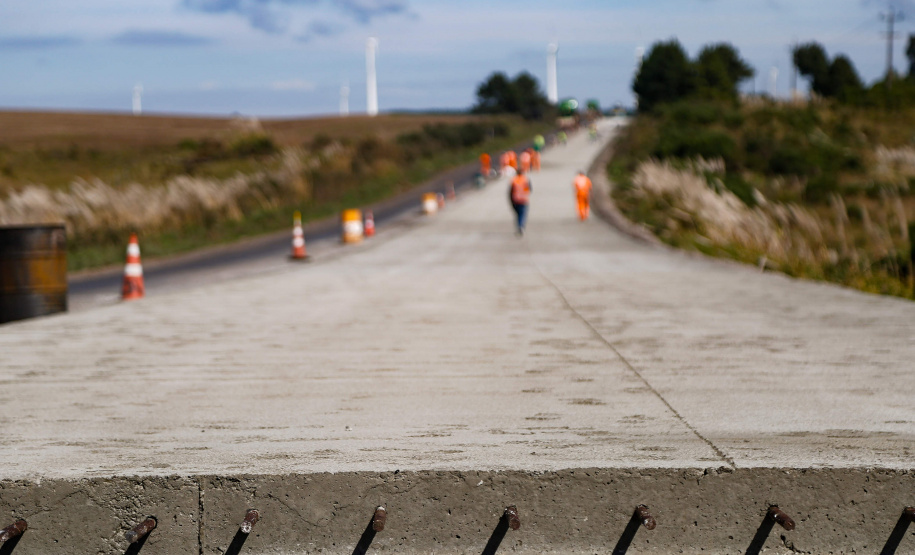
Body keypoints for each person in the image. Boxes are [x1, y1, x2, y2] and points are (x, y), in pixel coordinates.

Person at [509, 168, 532, 235]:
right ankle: (521, 226)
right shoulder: (525, 179)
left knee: (518, 214)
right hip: (524, 199)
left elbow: (510, 191)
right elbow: (529, 189)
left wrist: (511, 200)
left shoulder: (514, 180)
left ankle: (519, 226)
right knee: (522, 214)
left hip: (515, 199)